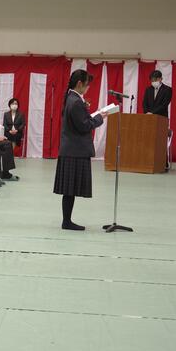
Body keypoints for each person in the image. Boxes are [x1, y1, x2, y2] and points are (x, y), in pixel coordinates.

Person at [53, 69, 108, 231]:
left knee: (69, 189)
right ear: (79, 84)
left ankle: (67, 220)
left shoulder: (71, 98)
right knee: (69, 189)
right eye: (86, 84)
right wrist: (99, 118)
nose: (88, 87)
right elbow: (84, 126)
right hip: (74, 151)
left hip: (70, 149)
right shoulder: (76, 101)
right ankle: (66, 221)